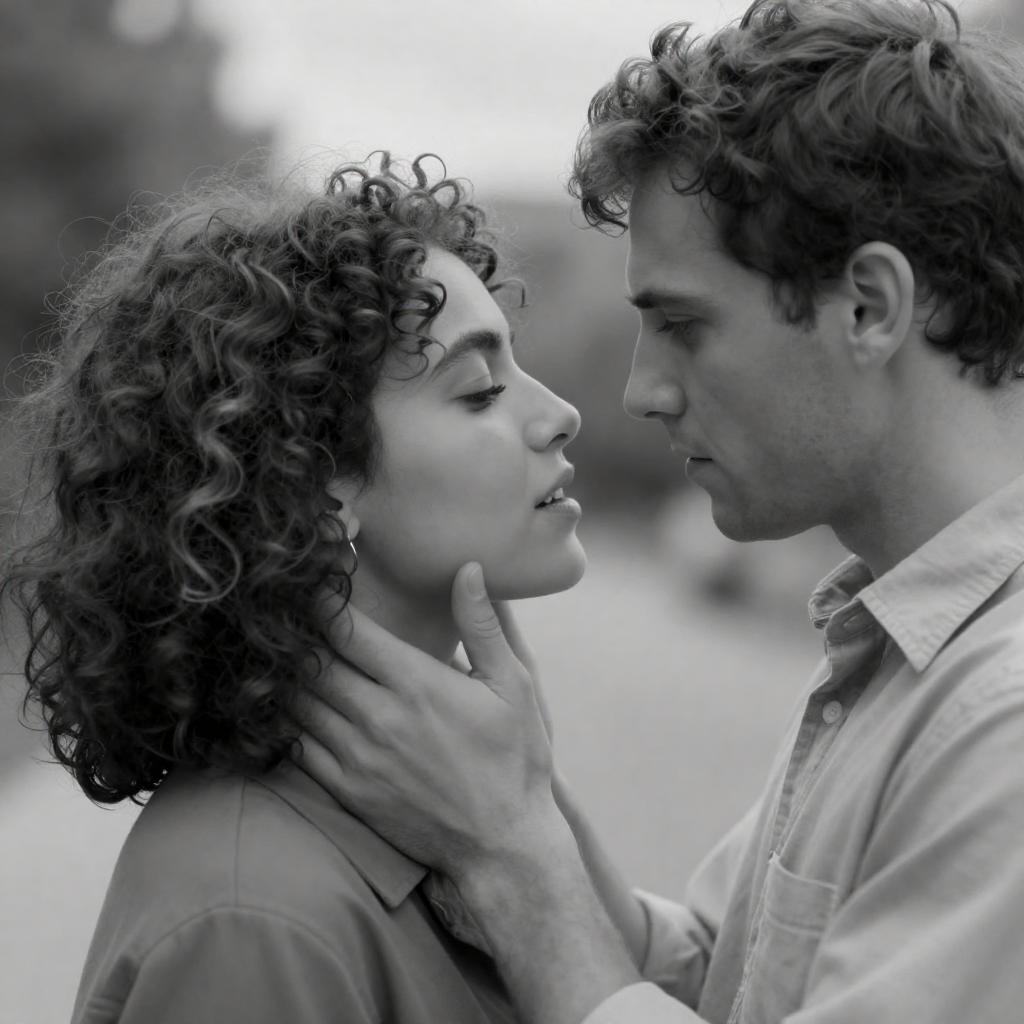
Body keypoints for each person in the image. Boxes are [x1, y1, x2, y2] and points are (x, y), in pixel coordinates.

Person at [292, 2, 1024, 1022]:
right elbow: (719, 975)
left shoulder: (1001, 720)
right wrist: (515, 797)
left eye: (683, 324)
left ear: (869, 306)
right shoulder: (909, 650)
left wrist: (507, 852)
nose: (640, 392)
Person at [0, 153, 587, 1023]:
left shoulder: (452, 812)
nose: (560, 415)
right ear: (319, 481)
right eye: (480, 390)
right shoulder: (250, 922)